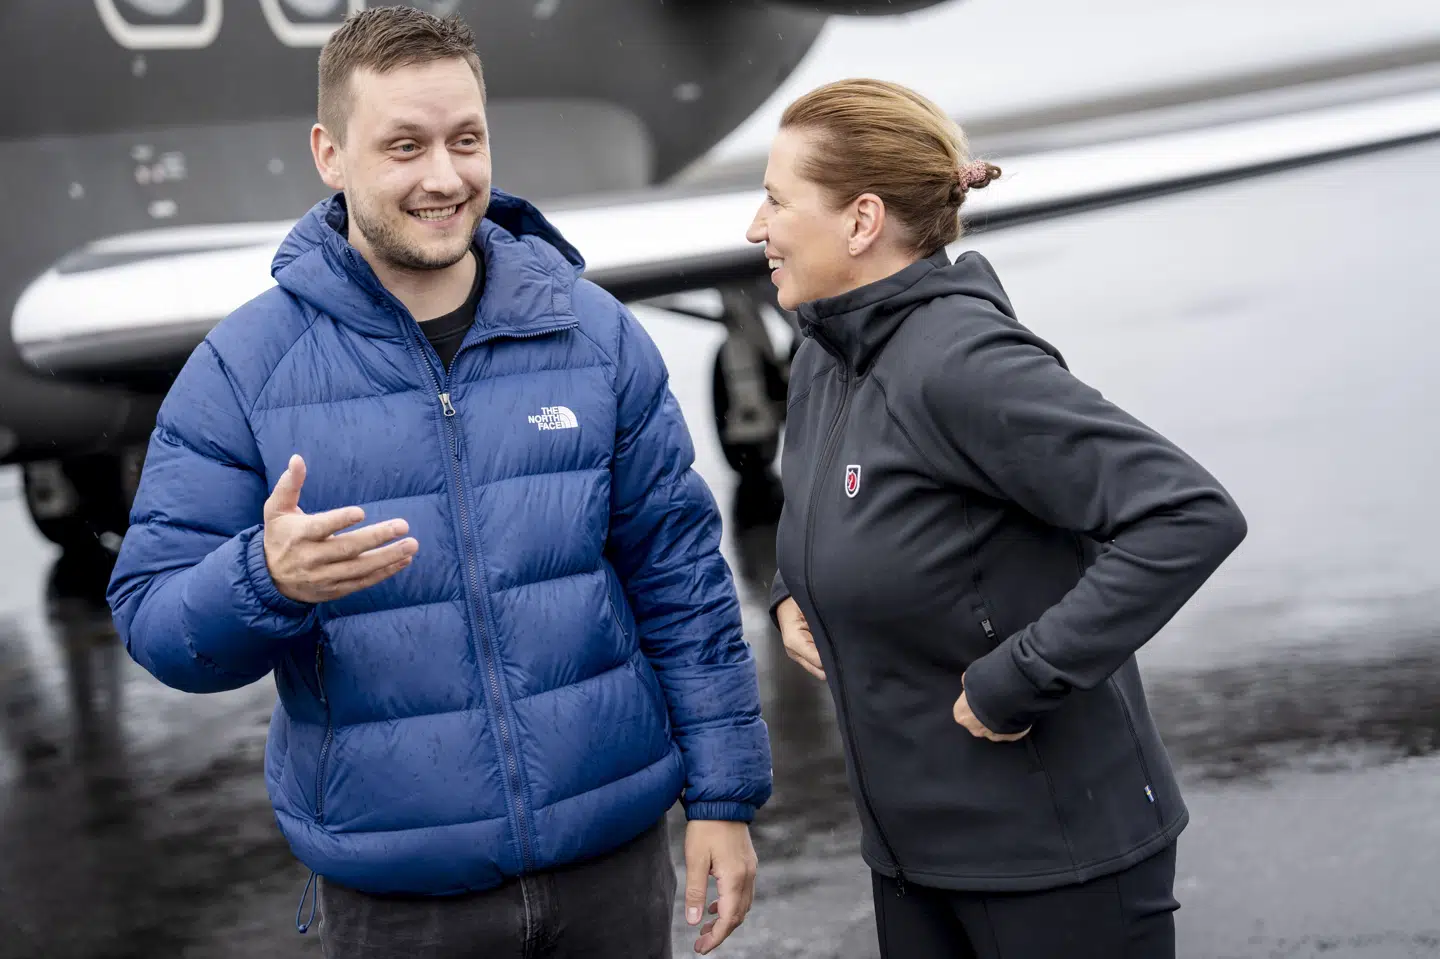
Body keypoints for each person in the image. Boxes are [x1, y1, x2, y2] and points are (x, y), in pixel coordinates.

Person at [105, 7, 771, 957]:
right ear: (329, 156)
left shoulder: (592, 335)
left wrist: (722, 796)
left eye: (466, 140)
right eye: (404, 146)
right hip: (402, 903)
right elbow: (154, 619)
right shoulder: (243, 370)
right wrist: (265, 579)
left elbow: (682, 579)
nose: (445, 177)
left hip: (614, 870)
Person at [747, 78, 1248, 959]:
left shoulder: (962, 364)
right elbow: (847, 509)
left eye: (777, 200)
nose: (756, 227)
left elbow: (1187, 513)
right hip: (912, 856)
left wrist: (1021, 675)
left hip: (1053, 862)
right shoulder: (824, 355)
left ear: (862, 221)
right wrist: (797, 589)